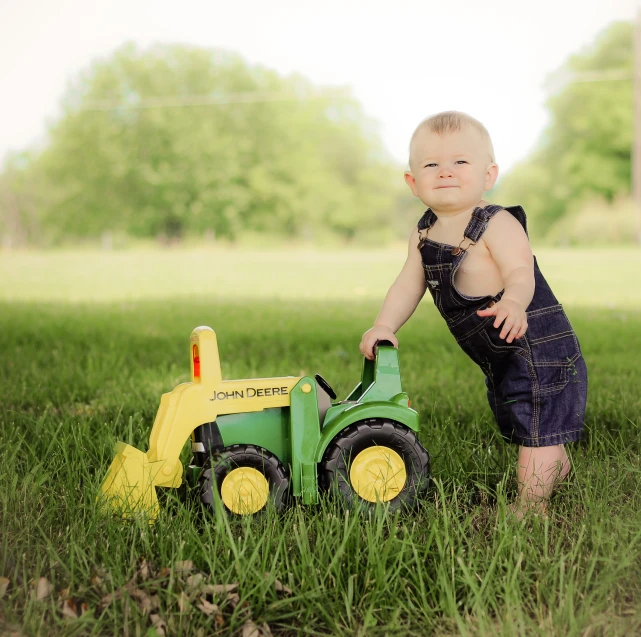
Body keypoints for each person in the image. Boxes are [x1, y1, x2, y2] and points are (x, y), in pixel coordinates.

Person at [359, 111, 588, 516]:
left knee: (535, 417)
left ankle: (531, 506)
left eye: (460, 162)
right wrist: (384, 324)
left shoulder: (498, 223)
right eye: (431, 164)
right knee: (519, 417)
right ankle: (557, 466)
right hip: (497, 349)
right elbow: (408, 284)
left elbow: (521, 271)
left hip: (533, 342)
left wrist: (515, 301)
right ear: (413, 182)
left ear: (488, 174)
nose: (445, 172)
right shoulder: (424, 231)